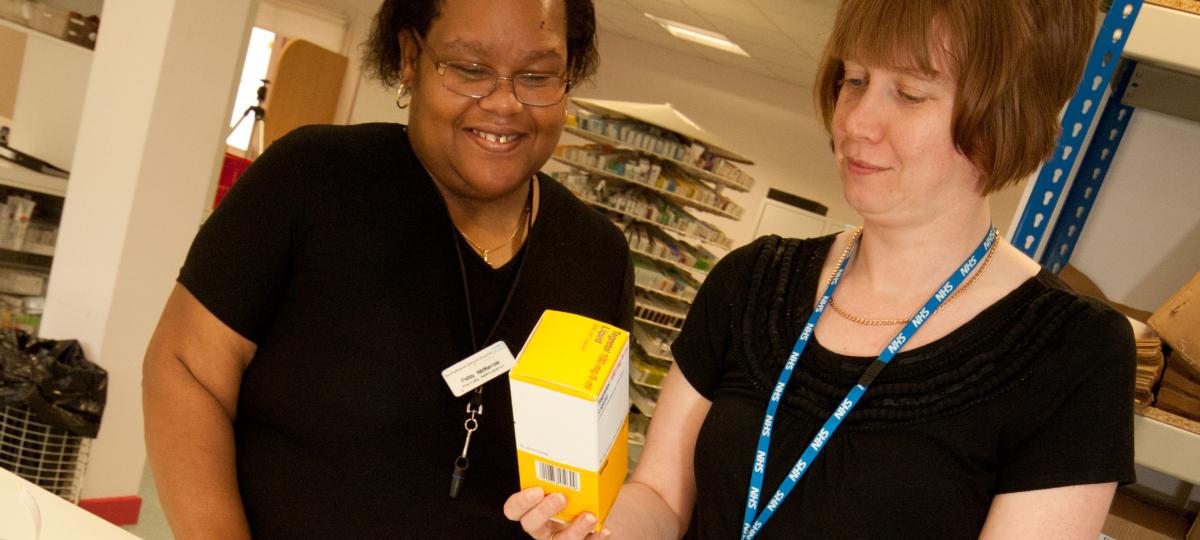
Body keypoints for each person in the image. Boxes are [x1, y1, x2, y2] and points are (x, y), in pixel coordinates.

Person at [505, 0, 1135, 538]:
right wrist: (601, 529)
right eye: (854, 80)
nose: (856, 123)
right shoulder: (751, 281)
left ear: (1005, 118)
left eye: (910, 93)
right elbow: (664, 498)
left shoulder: (1070, 351)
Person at [142, 0, 632, 538]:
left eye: (537, 76)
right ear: (409, 58)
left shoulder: (597, 258)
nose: (504, 104)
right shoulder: (313, 181)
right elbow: (185, 369)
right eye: (469, 69)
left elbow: (588, 474)